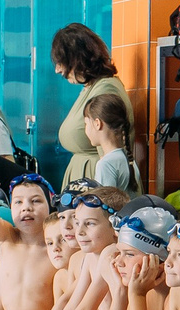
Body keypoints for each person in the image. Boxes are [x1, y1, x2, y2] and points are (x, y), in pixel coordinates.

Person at [49, 23, 125, 189]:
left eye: (61, 62)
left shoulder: (105, 88)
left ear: (77, 59)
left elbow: (109, 147)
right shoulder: (91, 88)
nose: (57, 70)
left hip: (96, 184)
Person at [83, 93, 138, 193]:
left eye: (86, 124)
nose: (85, 130)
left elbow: (104, 202)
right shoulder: (128, 160)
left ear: (97, 123)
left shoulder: (106, 164)